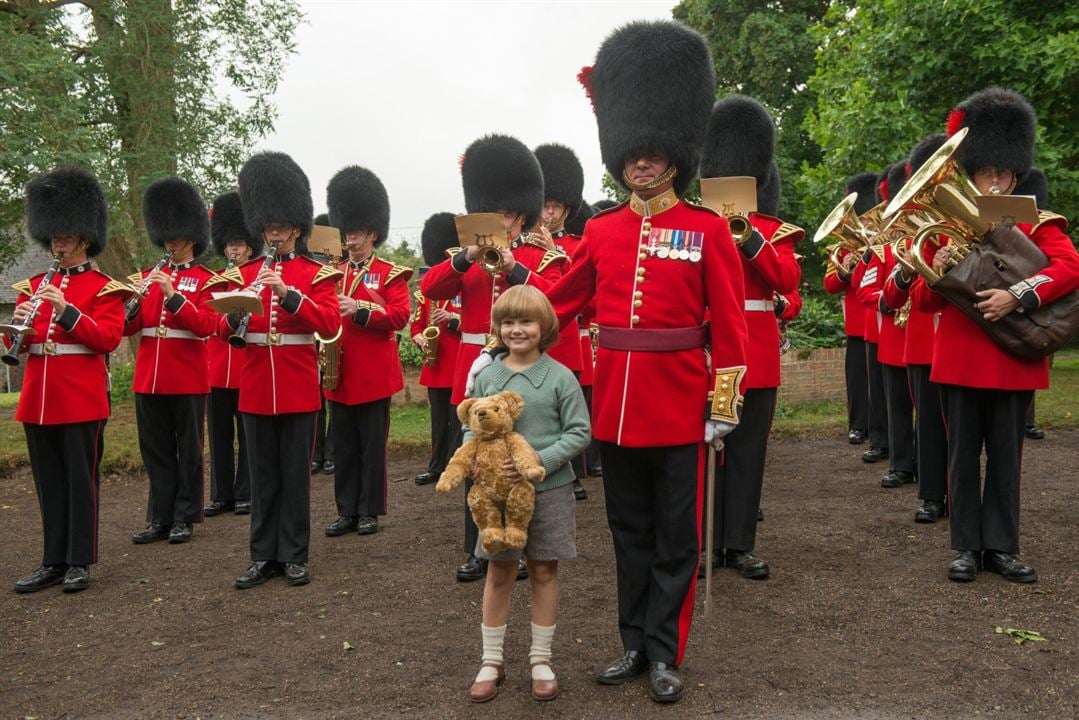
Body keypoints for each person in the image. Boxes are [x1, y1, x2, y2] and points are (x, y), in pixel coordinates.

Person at [546, 20, 748, 703]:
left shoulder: (707, 229)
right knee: (626, 533)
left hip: (682, 405)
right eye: (631, 153)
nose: (641, 162)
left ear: (674, 156)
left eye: (653, 152)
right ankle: (631, 641)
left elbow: (729, 327)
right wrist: (505, 324)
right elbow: (557, 303)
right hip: (615, 410)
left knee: (675, 539)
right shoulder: (600, 231)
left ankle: (666, 651)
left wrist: (722, 409)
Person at [910, 87, 1079, 583]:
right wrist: (936, 268)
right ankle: (965, 547)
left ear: (1015, 173)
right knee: (962, 459)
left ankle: (1001, 547)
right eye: (988, 172)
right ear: (974, 173)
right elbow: (922, 303)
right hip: (962, 358)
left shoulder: (1039, 225)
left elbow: (1069, 267)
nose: (997, 179)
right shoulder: (945, 228)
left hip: (1012, 360)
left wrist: (1019, 294)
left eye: (1004, 172)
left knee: (1006, 459)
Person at [421, 134, 567, 583]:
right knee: (476, 458)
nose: (499, 219)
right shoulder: (463, 258)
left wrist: (513, 268)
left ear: (520, 214)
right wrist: (466, 258)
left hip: (521, 366)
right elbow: (430, 290)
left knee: (516, 457)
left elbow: (556, 300)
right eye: (492, 211)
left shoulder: (538, 256)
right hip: (474, 368)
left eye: (504, 212)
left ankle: (520, 544)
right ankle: (479, 546)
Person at [455, 285, 590, 703]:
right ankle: (490, 660)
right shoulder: (488, 376)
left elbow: (580, 432)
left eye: (526, 322)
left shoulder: (561, 376)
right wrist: (472, 460)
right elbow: (470, 423)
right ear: (498, 327)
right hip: (495, 496)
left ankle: (540, 659)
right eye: (508, 322)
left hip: (548, 490)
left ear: (544, 326)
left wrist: (540, 460)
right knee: (498, 573)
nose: (517, 330)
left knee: (544, 571)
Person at [221, 151, 341, 589]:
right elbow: (220, 324)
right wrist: (233, 317)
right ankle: (262, 556)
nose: (273, 230)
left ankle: (293, 554)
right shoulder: (244, 273)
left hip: (295, 386)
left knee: (294, 476)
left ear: (296, 226)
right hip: (254, 385)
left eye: (280, 224)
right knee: (262, 476)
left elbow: (329, 323)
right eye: (266, 224)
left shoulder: (315, 272)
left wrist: (289, 295)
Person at [9, 166, 130, 594]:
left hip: (80, 398)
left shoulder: (104, 288)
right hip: (39, 397)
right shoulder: (32, 286)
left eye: (66, 235)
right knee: (49, 484)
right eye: (54, 235)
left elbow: (108, 338)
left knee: (81, 483)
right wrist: (15, 329)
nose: (58, 241)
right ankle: (52, 560)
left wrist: (67, 311)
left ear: (84, 238)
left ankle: (79, 560)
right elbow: (24, 344)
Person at [697, 94, 802, 581]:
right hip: (709, 352)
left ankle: (739, 545)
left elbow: (785, 282)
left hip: (755, 356)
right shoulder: (696, 227)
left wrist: (749, 239)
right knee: (708, 450)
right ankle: (704, 544)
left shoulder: (773, 231)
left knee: (748, 452)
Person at [127, 177, 220, 546]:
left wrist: (173, 296)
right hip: (149, 376)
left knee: (188, 451)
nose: (170, 242)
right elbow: (124, 329)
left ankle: (185, 515)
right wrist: (129, 302)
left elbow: (207, 325)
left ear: (192, 239)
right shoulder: (145, 278)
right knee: (156, 450)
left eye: (176, 237)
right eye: (166, 236)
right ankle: (160, 516)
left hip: (187, 376)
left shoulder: (206, 280)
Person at [322, 165, 411, 538]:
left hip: (373, 372)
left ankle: (369, 509)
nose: (351, 237)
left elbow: (401, 316)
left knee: (372, 447)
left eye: (357, 231)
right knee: (343, 446)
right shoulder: (331, 271)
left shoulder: (391, 274)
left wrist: (359, 309)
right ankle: (346, 510)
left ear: (373, 233)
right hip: (338, 371)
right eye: (347, 231)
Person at [882, 133, 949, 522]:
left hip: (962, 337)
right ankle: (932, 495)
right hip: (923, 341)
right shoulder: (911, 236)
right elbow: (889, 296)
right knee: (927, 422)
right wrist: (908, 272)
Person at [533, 143, 589, 499]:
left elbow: (587, 298)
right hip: (533, 342)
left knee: (569, 409)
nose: (549, 212)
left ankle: (573, 472)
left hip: (566, 339)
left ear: (566, 209)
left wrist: (558, 255)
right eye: (545, 204)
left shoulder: (579, 244)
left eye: (556, 206)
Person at [859, 163, 916, 488]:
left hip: (928, 339)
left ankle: (926, 464)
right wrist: (888, 301)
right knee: (897, 406)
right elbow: (866, 288)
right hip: (895, 336)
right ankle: (901, 463)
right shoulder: (885, 249)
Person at [204, 191, 259, 517]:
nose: (234, 249)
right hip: (216, 367)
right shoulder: (215, 281)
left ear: (251, 246)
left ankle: (245, 492)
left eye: (240, 243)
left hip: (244, 366)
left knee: (247, 436)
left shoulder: (256, 279)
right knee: (219, 436)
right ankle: (221, 493)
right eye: (230, 244)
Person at [824, 172, 875, 446]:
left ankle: (880, 428)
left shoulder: (882, 239)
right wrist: (848, 271)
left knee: (881, 385)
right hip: (857, 324)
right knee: (857, 381)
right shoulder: (843, 246)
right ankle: (857, 425)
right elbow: (830, 284)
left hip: (879, 319)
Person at [412, 212, 463, 487]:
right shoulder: (427, 293)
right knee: (437, 421)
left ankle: (455, 466)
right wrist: (420, 338)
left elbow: (478, 324)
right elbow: (415, 326)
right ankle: (435, 466)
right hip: (436, 364)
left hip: (457, 364)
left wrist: (453, 320)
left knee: (457, 421)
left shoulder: (464, 286)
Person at [310, 213, 336, 476]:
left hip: (333, 339)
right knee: (316, 398)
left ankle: (332, 451)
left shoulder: (340, 271)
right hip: (314, 338)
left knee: (332, 394)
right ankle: (315, 452)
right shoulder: (313, 269)